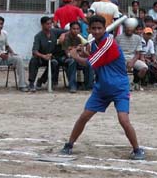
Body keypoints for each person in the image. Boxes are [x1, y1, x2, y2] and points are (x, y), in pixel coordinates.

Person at [60, 15, 145, 160]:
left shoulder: (108, 42)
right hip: (102, 88)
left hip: (119, 87)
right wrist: (85, 52)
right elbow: (97, 60)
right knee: (84, 117)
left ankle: (137, 149)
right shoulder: (95, 44)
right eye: (94, 28)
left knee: (123, 120)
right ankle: (69, 145)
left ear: (105, 29)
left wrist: (75, 55)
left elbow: (88, 63)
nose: (97, 31)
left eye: (100, 28)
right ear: (89, 30)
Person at [0, 16, 28, 92]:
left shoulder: (4, 33)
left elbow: (7, 46)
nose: (0, 26)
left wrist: (13, 53)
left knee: (18, 58)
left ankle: (22, 84)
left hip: (4, 58)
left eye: (1, 24)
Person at [28, 16, 66, 92]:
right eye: (47, 24)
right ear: (42, 25)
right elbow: (34, 51)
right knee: (33, 61)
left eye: (50, 24)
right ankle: (31, 83)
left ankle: (41, 80)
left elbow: (68, 30)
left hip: (51, 56)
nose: (49, 25)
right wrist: (43, 56)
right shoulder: (38, 36)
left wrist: (63, 35)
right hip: (41, 57)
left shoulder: (54, 32)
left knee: (54, 63)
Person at [58, 22, 93, 93]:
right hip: (64, 58)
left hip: (76, 57)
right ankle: (72, 86)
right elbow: (68, 53)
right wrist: (77, 49)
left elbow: (82, 51)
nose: (75, 30)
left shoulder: (78, 38)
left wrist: (82, 52)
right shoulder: (66, 38)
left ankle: (88, 85)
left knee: (88, 62)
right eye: (74, 29)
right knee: (72, 61)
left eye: (77, 29)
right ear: (70, 29)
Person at [116, 19, 148, 90]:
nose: (129, 30)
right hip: (121, 59)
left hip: (133, 58)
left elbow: (137, 53)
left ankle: (135, 82)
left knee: (144, 68)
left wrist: (132, 62)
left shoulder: (138, 38)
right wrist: (124, 61)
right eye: (128, 28)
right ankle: (122, 84)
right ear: (125, 28)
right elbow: (116, 52)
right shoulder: (118, 38)